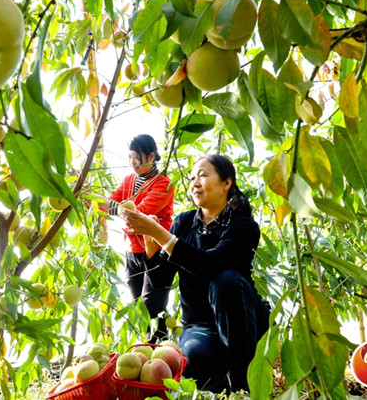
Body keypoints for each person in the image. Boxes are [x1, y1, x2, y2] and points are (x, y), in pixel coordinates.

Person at [120, 154, 270, 393]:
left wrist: (161, 234)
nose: (195, 183)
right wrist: (150, 245)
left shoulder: (243, 226)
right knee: (193, 362)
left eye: (202, 175)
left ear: (226, 183)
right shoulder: (183, 222)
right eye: (191, 178)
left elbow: (210, 265)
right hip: (200, 325)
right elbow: (160, 280)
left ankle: (243, 387)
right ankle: (221, 383)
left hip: (242, 319)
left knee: (226, 281)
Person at [108, 134, 175, 342]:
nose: (133, 162)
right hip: (131, 252)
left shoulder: (163, 183)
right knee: (139, 307)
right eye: (130, 156)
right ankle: (146, 355)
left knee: (153, 308)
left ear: (152, 156)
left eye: (137, 156)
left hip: (155, 253)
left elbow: (139, 216)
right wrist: (122, 212)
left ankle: (161, 354)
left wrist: (122, 212)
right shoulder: (129, 180)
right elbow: (111, 204)